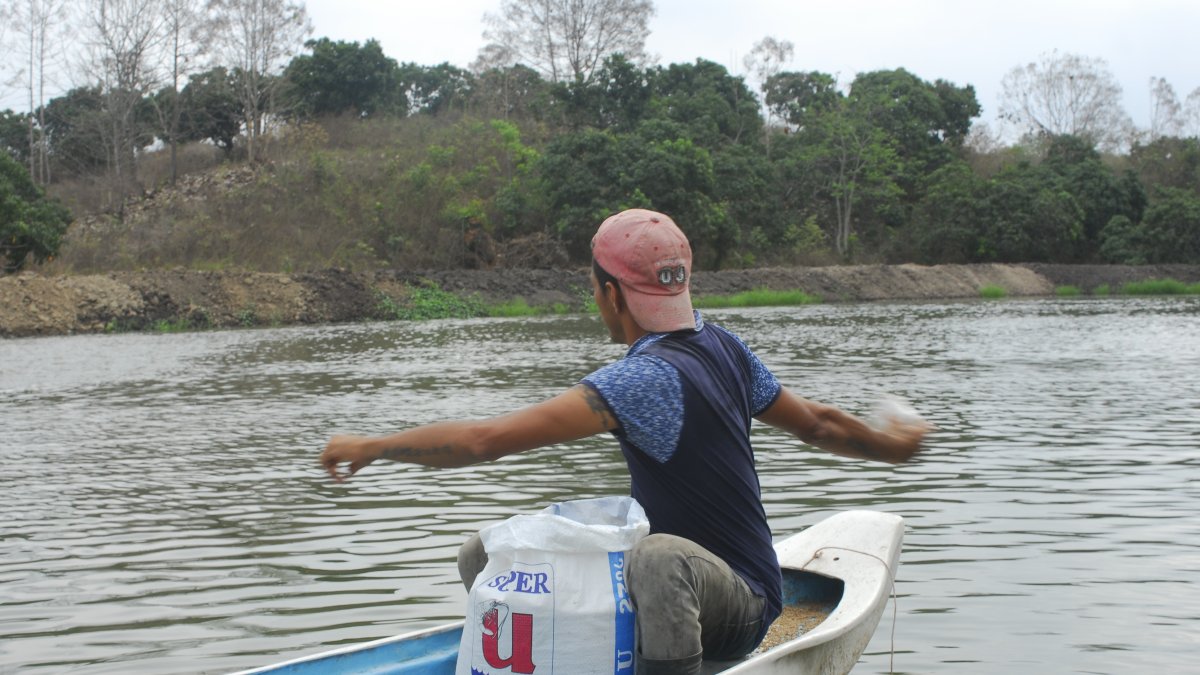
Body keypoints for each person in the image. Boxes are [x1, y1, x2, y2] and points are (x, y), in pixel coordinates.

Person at [320, 208, 930, 674]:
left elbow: (485, 441)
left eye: (595, 289)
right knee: (484, 553)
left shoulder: (643, 379)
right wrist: (889, 446)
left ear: (612, 294)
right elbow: (819, 423)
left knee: (659, 559)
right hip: (670, 594)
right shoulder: (725, 345)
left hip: (739, 605)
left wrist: (375, 446)